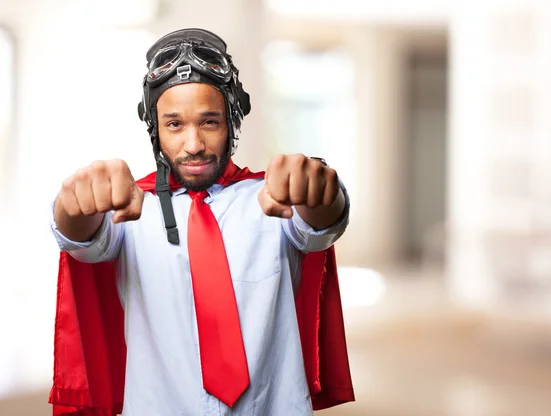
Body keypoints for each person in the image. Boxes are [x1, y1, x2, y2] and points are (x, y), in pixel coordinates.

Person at [48, 28, 354, 416]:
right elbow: (75, 237)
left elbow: (323, 225)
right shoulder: (127, 213)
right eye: (174, 124)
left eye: (209, 122)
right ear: (155, 130)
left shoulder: (274, 202)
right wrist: (74, 200)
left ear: (233, 122)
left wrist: (322, 188)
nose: (193, 144)